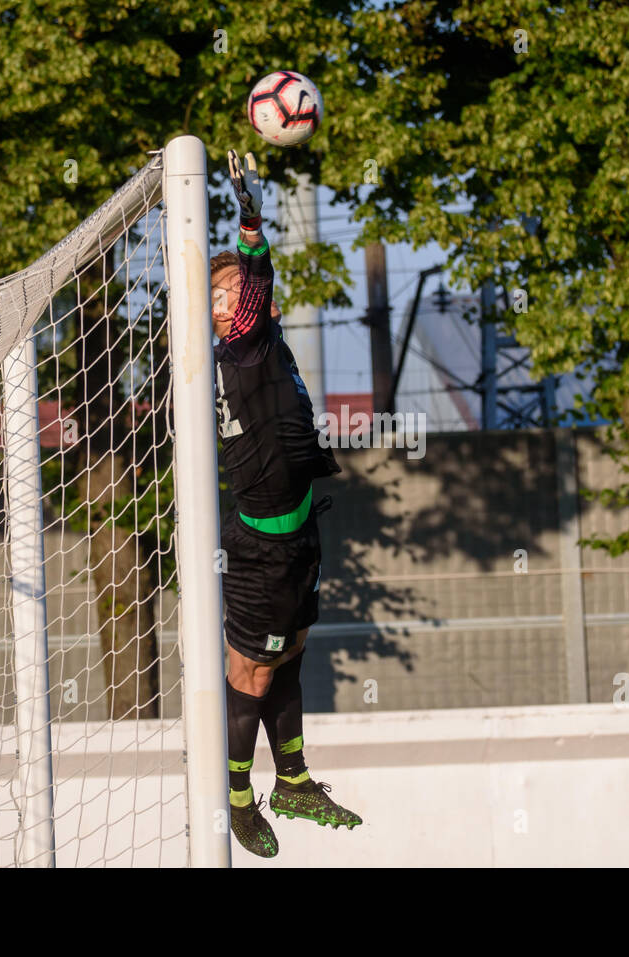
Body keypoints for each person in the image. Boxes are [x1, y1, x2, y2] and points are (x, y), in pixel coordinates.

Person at [212, 149, 362, 859]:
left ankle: (294, 777)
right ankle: (239, 799)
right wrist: (249, 222)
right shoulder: (244, 347)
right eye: (218, 298)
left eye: (230, 294)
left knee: (292, 650)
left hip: (298, 538)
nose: (227, 306)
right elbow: (256, 282)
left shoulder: (268, 347)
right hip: (263, 551)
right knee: (255, 669)